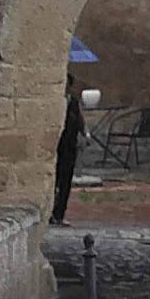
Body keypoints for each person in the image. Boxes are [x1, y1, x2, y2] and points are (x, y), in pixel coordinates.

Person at [49, 73, 86, 226]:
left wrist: (85, 134)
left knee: (65, 182)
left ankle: (59, 213)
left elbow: (80, 121)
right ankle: (50, 212)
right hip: (56, 147)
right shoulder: (54, 103)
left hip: (70, 146)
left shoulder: (74, 103)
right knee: (53, 180)